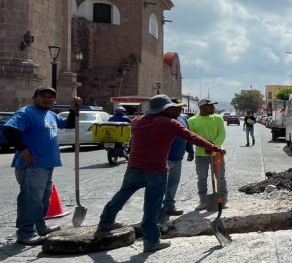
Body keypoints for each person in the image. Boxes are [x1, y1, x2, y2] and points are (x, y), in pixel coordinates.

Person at [95, 94, 224, 253]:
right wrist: (215, 148)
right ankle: (151, 241)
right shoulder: (170, 123)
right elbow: (192, 137)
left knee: (121, 195)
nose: (176, 111)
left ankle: (105, 223)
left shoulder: (138, 121)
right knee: (152, 207)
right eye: (172, 108)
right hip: (155, 171)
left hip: (134, 167)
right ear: (165, 109)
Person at [2, 87, 80, 246]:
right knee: (31, 200)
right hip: (32, 165)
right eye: (43, 96)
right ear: (34, 98)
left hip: (47, 164)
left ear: (55, 100)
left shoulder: (51, 115)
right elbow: (9, 130)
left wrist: (73, 110)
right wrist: (24, 151)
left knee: (43, 199)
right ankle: (25, 232)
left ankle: (40, 226)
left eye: (51, 97)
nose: (47, 99)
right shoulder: (26, 113)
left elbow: (68, 124)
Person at [188, 98, 228, 211]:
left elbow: (222, 134)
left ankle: (223, 200)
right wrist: (205, 146)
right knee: (202, 178)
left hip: (217, 154)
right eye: (211, 106)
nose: (213, 107)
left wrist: (213, 146)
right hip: (201, 155)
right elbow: (192, 137)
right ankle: (203, 201)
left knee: (220, 177)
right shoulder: (192, 121)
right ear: (202, 107)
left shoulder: (218, 118)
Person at [161, 99, 195, 218]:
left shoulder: (183, 119)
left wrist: (190, 150)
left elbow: (188, 135)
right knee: (160, 185)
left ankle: (169, 206)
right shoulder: (163, 120)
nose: (181, 110)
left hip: (178, 158)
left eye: (181, 107)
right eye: (178, 107)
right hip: (165, 159)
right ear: (170, 108)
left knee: (173, 184)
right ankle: (157, 210)